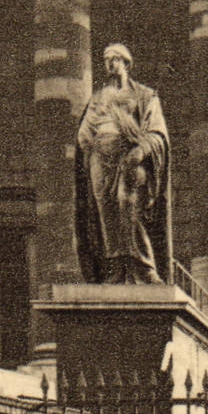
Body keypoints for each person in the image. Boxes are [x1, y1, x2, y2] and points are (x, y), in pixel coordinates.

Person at [74, 43, 171, 284]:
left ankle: (144, 265)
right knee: (107, 213)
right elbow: (85, 132)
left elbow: (157, 131)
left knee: (128, 204)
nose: (110, 63)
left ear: (126, 63)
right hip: (101, 159)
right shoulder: (98, 98)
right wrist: (92, 148)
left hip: (130, 157)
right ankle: (115, 265)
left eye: (115, 59)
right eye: (107, 59)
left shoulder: (145, 95)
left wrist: (142, 150)